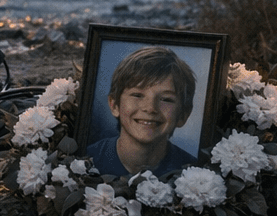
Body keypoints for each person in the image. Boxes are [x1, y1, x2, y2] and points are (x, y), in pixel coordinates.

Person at [84, 46, 201, 178]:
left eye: (166, 99)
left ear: (183, 115)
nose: (150, 108)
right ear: (114, 105)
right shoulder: (83, 161)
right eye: (137, 95)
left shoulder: (194, 175)